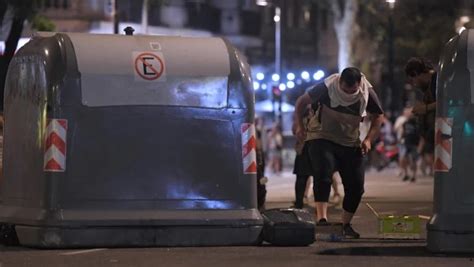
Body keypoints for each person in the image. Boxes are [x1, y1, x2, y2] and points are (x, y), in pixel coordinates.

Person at [294, 67, 384, 239]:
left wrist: (368, 140)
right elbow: (301, 102)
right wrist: (299, 125)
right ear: (339, 82)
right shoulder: (326, 87)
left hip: (349, 141)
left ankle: (345, 224)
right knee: (323, 173)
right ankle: (322, 219)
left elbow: (378, 116)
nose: (349, 93)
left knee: (356, 186)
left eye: (353, 90)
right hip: (321, 135)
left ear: (359, 84)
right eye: (345, 89)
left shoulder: (367, 92)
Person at [404, 57, 436, 176]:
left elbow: (447, 101)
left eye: (413, 80)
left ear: (416, 74)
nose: (415, 84)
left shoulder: (438, 81)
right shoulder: (429, 86)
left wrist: (425, 108)